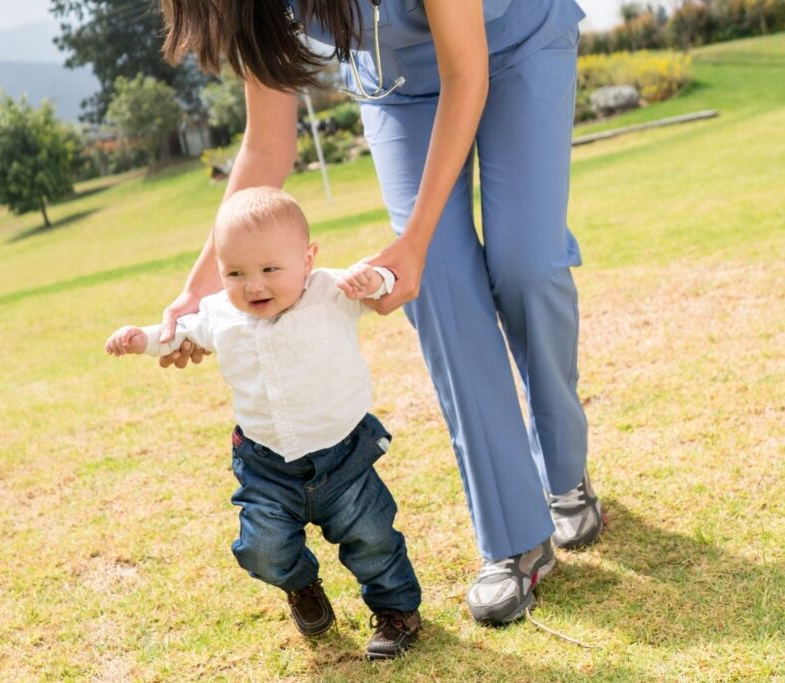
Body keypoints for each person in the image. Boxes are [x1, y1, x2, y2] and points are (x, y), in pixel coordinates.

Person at [156, 0, 603, 626]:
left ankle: (563, 468)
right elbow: (265, 147)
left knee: (526, 264)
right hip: (399, 90)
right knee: (442, 289)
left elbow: (466, 73)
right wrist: (196, 293)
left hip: (513, 46)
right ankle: (512, 538)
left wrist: (413, 242)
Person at [105, 187, 422, 659]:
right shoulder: (219, 313)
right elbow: (180, 334)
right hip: (266, 465)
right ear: (219, 272)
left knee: (373, 537)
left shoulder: (330, 292)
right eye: (235, 273)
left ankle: (397, 611)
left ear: (307, 259)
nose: (254, 286)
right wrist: (142, 340)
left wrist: (372, 278)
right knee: (261, 548)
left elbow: (380, 286)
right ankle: (301, 584)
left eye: (271, 270)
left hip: (344, 456)